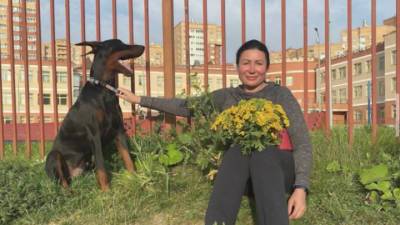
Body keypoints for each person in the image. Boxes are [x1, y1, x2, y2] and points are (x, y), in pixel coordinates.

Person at [117, 39, 312, 225]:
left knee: (264, 151)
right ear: (237, 67)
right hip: (244, 176)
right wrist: (140, 99)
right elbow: (187, 107)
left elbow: (302, 142)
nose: (252, 69)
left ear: (266, 68)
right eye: (246, 63)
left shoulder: (280, 94)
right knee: (238, 149)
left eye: (258, 63)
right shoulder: (227, 96)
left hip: (277, 172)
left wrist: (300, 188)